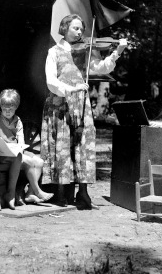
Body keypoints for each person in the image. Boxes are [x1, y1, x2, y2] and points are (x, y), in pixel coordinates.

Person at [40, 14, 127, 209]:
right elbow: (51, 81)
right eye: (76, 28)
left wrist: (118, 51)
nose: (80, 33)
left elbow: (102, 67)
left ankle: (84, 192)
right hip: (60, 104)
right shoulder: (54, 51)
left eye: (81, 29)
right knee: (61, 145)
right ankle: (60, 193)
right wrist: (71, 89)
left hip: (81, 104)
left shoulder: (85, 52)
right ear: (64, 28)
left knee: (84, 144)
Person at [0, 88, 54, 205]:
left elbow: (21, 140)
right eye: (4, 108)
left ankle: (30, 193)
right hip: (2, 152)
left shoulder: (18, 121)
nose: (7, 111)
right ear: (0, 106)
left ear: (16, 107)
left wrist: (20, 147)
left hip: (15, 150)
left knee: (40, 162)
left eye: (10, 109)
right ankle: (37, 191)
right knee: (29, 162)